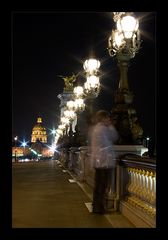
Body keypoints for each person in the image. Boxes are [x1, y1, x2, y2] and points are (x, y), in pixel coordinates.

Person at [90, 110, 119, 214]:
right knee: (102, 185)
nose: (109, 120)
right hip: (104, 161)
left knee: (98, 185)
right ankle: (99, 207)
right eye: (107, 118)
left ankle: (96, 206)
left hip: (98, 161)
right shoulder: (104, 129)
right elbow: (115, 137)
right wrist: (111, 126)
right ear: (103, 118)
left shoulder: (96, 129)